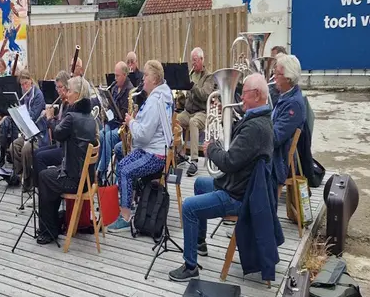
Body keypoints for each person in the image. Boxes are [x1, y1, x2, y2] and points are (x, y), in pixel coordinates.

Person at [169, 74, 274, 281]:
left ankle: (190, 266)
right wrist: (224, 120)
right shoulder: (258, 119)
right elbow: (238, 144)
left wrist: (211, 149)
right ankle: (199, 243)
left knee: (189, 207)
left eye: (244, 95)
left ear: (257, 95)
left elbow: (228, 161)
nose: (241, 98)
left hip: (238, 196)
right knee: (200, 183)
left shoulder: (256, 128)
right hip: (239, 185)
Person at [106, 60, 174, 232]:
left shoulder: (155, 101)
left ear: (155, 79)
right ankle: (132, 203)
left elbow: (144, 135)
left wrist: (132, 122)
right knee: (122, 163)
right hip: (153, 149)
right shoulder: (161, 96)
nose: (143, 79)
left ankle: (125, 216)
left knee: (125, 170)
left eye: (146, 75)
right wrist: (138, 120)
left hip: (156, 155)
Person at [36, 76, 97, 245]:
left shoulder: (72, 116)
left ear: (77, 94)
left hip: (75, 180)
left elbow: (58, 134)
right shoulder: (89, 116)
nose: (67, 94)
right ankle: (52, 225)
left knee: (44, 176)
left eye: (69, 91)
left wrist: (49, 118)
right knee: (50, 174)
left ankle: (48, 230)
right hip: (87, 178)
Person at [176, 47, 215, 177]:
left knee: (193, 122)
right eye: (192, 60)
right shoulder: (191, 74)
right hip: (188, 111)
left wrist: (191, 86)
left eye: (195, 60)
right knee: (175, 119)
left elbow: (204, 95)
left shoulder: (209, 77)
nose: (193, 63)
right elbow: (185, 99)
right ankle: (179, 153)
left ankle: (194, 161)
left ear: (202, 60)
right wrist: (180, 95)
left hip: (202, 112)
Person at [271, 54, 307, 187]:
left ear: (288, 77)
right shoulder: (284, 95)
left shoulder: (293, 105)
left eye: (277, 73)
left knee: (239, 161)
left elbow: (275, 138)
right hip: (272, 154)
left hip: (278, 161)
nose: (274, 77)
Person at [97, 61, 133, 184]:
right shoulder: (113, 88)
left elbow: (123, 115)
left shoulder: (129, 90)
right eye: (115, 75)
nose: (115, 78)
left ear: (124, 75)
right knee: (100, 135)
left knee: (107, 136)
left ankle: (101, 171)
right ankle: (97, 171)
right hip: (112, 123)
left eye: (117, 76)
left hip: (121, 127)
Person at [10, 69, 45, 190]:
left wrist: (21, 115)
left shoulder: (38, 95)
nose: (24, 87)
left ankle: (29, 180)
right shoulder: (24, 95)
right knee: (13, 146)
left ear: (31, 81)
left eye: (26, 83)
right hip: (27, 133)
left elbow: (32, 117)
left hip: (38, 133)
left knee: (26, 150)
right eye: (22, 84)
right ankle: (21, 174)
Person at [32, 70, 71, 178]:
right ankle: (40, 188)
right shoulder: (62, 102)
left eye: (60, 87)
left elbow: (59, 131)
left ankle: (45, 188)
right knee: (36, 154)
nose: (58, 91)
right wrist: (53, 115)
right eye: (57, 87)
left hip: (66, 149)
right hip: (60, 145)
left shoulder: (69, 105)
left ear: (68, 87)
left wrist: (50, 119)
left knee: (40, 157)